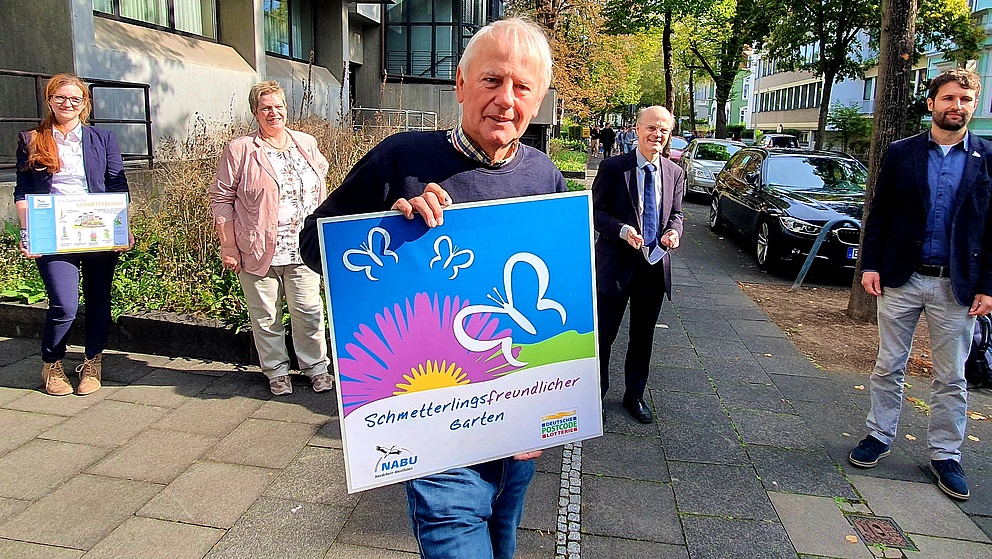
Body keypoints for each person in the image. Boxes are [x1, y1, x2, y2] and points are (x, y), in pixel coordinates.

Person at [299, 18, 562, 559]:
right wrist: (385, 232)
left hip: (514, 426)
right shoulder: (401, 160)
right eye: (491, 81)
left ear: (538, 101)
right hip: (434, 424)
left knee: (502, 541)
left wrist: (550, 412)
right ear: (461, 84)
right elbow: (311, 246)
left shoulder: (545, 178)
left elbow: (559, 298)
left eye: (522, 86)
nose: (505, 99)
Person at [849, 68, 992, 502]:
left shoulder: (987, 157)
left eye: (965, 100)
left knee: (951, 377)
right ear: (931, 103)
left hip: (957, 286)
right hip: (902, 277)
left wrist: (988, 284)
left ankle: (946, 455)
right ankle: (879, 435)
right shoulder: (902, 153)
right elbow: (881, 211)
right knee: (889, 364)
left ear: (974, 105)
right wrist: (869, 265)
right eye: (949, 98)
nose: (957, 107)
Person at [13, 73, 133, 396]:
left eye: (75, 99)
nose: (68, 104)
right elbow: (23, 193)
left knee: (98, 299)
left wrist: (125, 228)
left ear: (84, 104)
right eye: (61, 98)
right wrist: (28, 235)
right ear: (50, 100)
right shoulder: (31, 140)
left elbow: (117, 186)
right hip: (53, 234)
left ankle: (92, 361)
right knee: (64, 304)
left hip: (98, 231)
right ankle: (52, 362)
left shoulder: (103, 139)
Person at [210, 81, 332, 396]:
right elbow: (221, 198)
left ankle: (316, 367)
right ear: (255, 112)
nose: (273, 113)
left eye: (278, 107)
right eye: (265, 108)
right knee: (266, 315)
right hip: (257, 247)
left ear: (286, 110)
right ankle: (276, 371)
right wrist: (228, 245)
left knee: (309, 310)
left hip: (303, 247)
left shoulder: (306, 142)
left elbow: (321, 179)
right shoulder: (241, 149)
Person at [593, 106, 685, 424]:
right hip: (615, 266)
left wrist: (674, 231)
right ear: (637, 128)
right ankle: (596, 397)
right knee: (604, 336)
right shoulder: (613, 167)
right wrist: (621, 230)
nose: (656, 134)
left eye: (663, 130)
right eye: (651, 128)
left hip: (653, 269)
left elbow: (677, 214)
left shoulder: (675, 172)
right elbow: (596, 212)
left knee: (642, 337)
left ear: (669, 133)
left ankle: (635, 396)